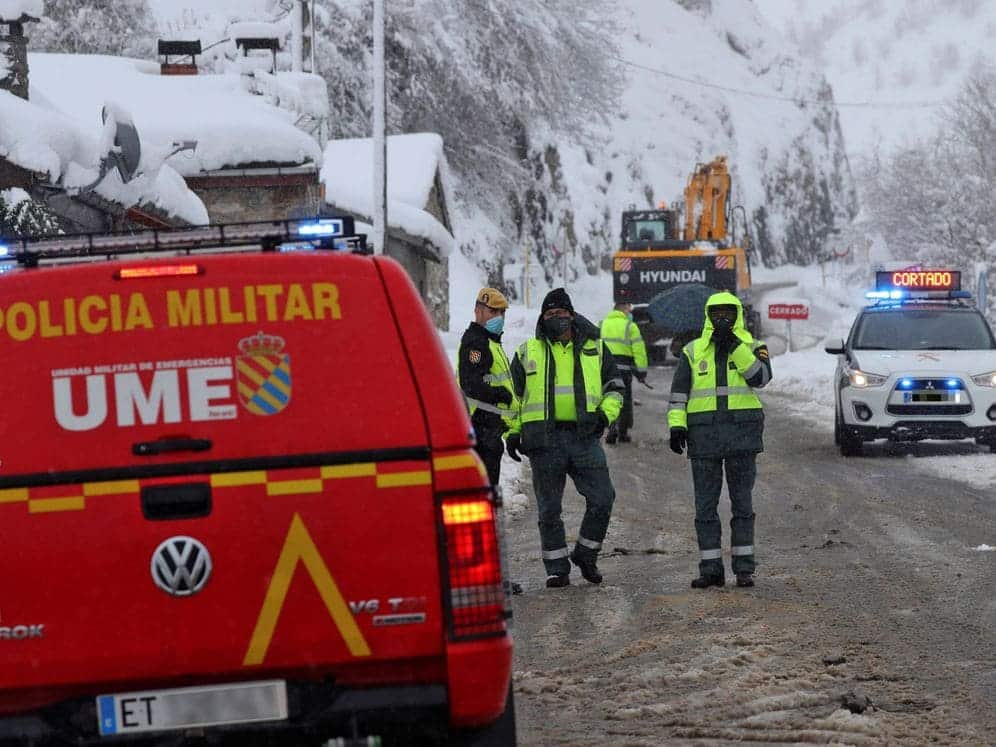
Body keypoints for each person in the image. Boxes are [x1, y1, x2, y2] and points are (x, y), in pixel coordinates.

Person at [505, 288, 625, 588]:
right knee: (549, 509)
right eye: (549, 314)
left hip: (584, 437)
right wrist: (513, 432)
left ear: (571, 315)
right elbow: (512, 399)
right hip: (543, 441)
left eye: (560, 313)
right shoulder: (527, 351)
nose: (555, 318)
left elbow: (615, 387)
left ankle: (586, 553)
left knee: (603, 498)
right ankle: (557, 569)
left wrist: (605, 416)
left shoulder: (596, 348)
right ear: (542, 318)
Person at [667, 291, 772, 589]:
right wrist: (676, 427)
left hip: (742, 437)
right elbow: (678, 395)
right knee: (705, 508)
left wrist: (735, 346)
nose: (722, 318)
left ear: (737, 315)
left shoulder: (754, 346)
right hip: (704, 438)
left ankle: (744, 569)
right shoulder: (692, 351)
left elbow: (761, 378)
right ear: (707, 316)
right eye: (716, 313)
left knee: (742, 505)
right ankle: (711, 569)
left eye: (728, 312)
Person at [457, 287, 517, 486]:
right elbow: (471, 383)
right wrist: (501, 394)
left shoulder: (491, 342)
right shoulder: (476, 343)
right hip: (480, 427)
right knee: (484, 490)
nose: (499, 317)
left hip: (490, 429)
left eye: (502, 312)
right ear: (478, 311)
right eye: (493, 311)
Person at [599, 302, 648, 443]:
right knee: (624, 401)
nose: (630, 313)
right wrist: (641, 372)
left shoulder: (602, 324)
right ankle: (623, 432)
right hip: (624, 370)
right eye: (628, 310)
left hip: (605, 369)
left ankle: (611, 428)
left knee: (609, 397)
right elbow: (639, 350)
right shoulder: (630, 326)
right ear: (623, 310)